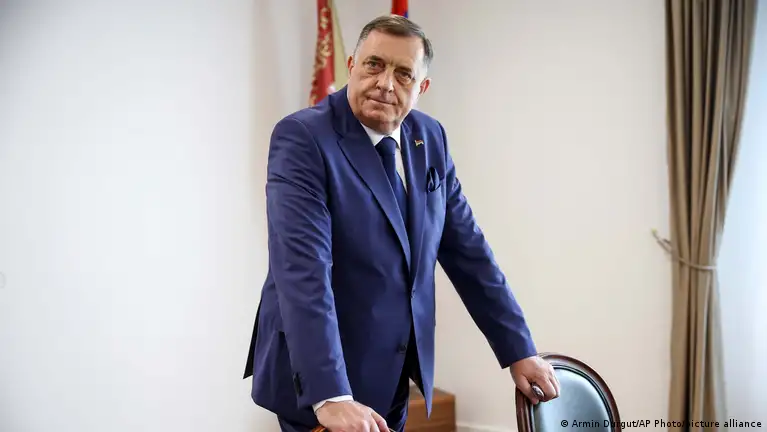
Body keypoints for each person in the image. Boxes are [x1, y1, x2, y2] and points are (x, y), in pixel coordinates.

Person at [243, 14, 560, 432]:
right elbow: (303, 271)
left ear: (421, 87)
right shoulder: (303, 137)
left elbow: (469, 252)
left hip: (394, 373)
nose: (385, 84)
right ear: (352, 64)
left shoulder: (430, 137)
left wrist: (518, 348)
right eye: (374, 65)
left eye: (403, 74)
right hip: (323, 383)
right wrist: (331, 396)